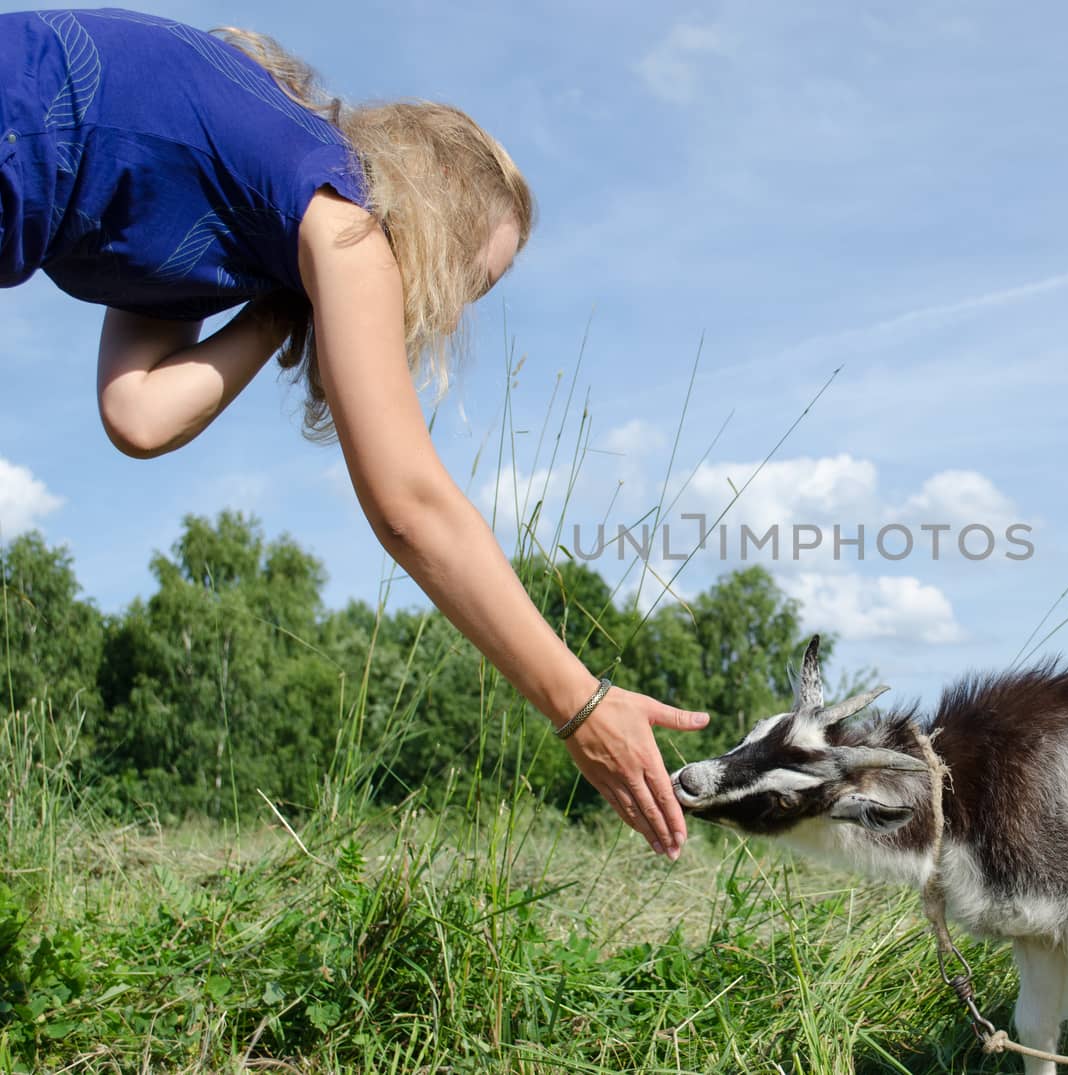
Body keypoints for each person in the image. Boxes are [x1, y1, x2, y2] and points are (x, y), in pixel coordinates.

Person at [0, 8, 707, 859]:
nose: (434, 312)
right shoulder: (343, 210)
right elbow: (409, 503)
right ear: (429, 205)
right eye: (453, 280)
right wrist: (581, 703)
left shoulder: (250, 209)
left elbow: (140, 414)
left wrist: (277, 311)